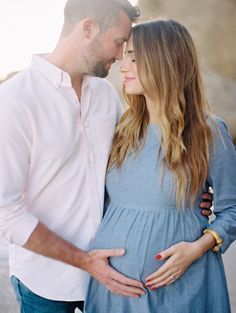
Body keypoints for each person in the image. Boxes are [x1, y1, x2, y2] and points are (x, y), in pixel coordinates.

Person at [0, 1, 212, 312]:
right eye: (118, 43)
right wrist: (85, 261)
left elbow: (136, 164)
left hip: (114, 276)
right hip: (46, 281)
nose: (119, 55)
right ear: (88, 29)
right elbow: (6, 213)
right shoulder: (14, 101)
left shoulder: (104, 96)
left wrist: (193, 197)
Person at [84, 19, 236, 313]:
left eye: (135, 58)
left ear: (165, 61)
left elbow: (233, 208)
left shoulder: (208, 131)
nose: (123, 66)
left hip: (182, 290)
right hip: (113, 293)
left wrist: (197, 248)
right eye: (124, 55)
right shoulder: (120, 128)